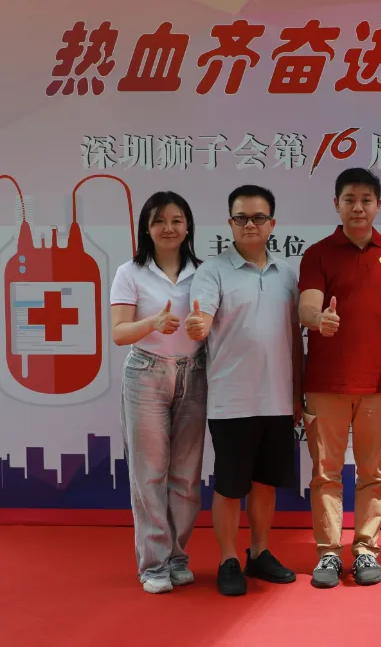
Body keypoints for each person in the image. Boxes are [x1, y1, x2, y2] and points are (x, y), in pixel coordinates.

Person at [298, 168, 381, 589]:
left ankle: (366, 549)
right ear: (336, 204)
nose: (358, 208)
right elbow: (307, 306)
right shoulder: (318, 254)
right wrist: (319, 320)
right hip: (325, 384)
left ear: (378, 205)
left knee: (373, 474)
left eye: (366, 200)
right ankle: (328, 553)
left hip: (379, 386)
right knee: (325, 474)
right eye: (349, 199)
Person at [187, 184, 303, 597]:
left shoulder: (287, 275)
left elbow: (295, 337)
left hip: (277, 398)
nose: (249, 225)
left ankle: (259, 552)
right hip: (231, 400)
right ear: (230, 222)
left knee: (266, 484)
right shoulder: (212, 271)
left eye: (258, 218)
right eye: (241, 218)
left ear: (272, 224)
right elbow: (201, 318)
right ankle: (227, 559)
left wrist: (297, 393)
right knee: (230, 486)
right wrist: (197, 326)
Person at [110, 192, 206, 594]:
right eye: (159, 221)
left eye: (177, 220)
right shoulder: (130, 272)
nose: (169, 228)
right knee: (149, 473)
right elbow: (119, 333)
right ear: (146, 229)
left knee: (186, 475)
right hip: (146, 374)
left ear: (188, 226)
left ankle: (177, 556)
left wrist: (203, 327)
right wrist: (153, 322)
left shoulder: (204, 272)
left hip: (194, 374)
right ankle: (153, 565)